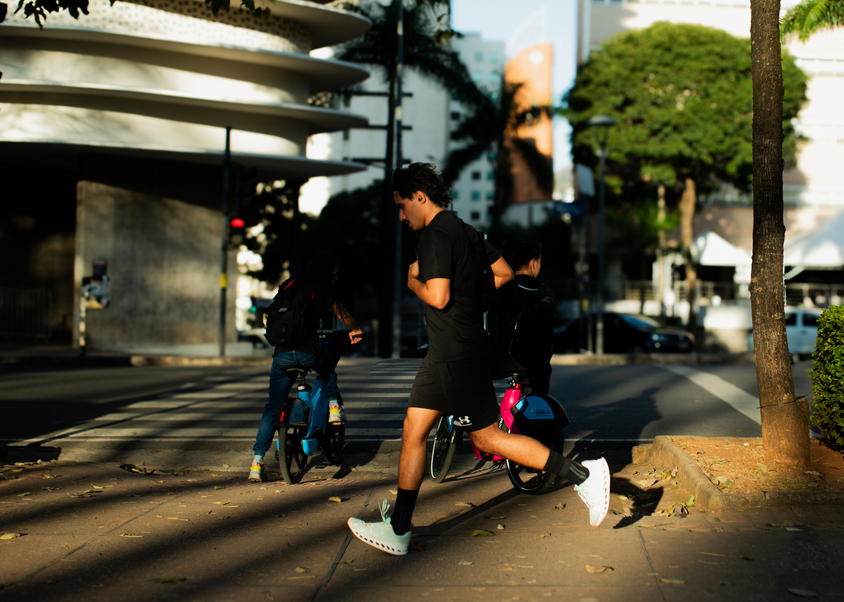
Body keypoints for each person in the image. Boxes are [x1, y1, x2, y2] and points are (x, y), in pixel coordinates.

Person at [348, 163, 609, 555]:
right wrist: (468, 293)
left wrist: (413, 281)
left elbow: (437, 296)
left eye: (403, 206)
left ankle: (584, 475)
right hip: (446, 352)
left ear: (420, 197)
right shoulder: (465, 230)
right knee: (413, 429)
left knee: (488, 437)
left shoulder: (434, 235)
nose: (401, 216)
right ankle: (399, 529)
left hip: (457, 352)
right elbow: (503, 274)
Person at [250, 252, 362, 482]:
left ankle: (256, 463)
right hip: (309, 352)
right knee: (328, 365)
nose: (336, 277)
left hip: (281, 355)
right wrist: (356, 329)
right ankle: (333, 407)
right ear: (326, 272)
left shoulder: (289, 284)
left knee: (272, 408)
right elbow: (341, 313)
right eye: (335, 272)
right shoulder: (323, 289)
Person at [488, 240, 556, 396]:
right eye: (539, 262)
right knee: (537, 394)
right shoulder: (547, 293)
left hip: (501, 361)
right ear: (533, 263)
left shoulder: (502, 287)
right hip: (537, 365)